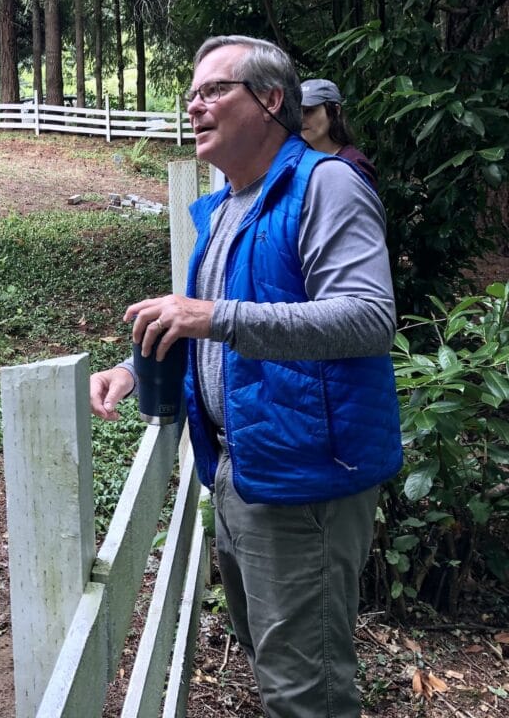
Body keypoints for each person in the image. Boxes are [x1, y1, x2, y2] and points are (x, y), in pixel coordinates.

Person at [89, 35, 403, 718]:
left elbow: (368, 318)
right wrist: (135, 371)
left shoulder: (326, 185)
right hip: (241, 470)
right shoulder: (230, 205)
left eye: (213, 91)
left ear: (270, 99)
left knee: (306, 691)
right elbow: (210, 329)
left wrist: (215, 315)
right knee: (276, 667)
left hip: (307, 481)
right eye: (191, 96)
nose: (195, 108)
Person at [300, 78, 378, 189]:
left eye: (309, 111)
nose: (301, 118)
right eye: (298, 112)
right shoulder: (301, 163)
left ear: (335, 111)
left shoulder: (354, 165)